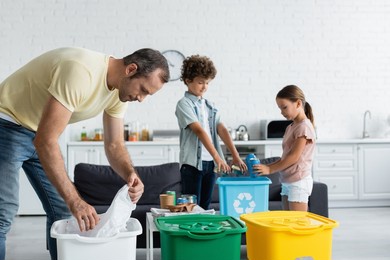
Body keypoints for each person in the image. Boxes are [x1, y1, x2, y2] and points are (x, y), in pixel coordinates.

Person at [0, 47, 169, 260]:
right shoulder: (81, 71)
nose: (142, 99)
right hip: (6, 122)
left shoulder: (119, 92)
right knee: (2, 214)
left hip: (37, 131)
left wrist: (129, 174)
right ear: (131, 69)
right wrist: (76, 200)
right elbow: (46, 141)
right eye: (144, 90)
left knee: (61, 210)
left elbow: (115, 144)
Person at [175, 55, 247, 210]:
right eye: (200, 82)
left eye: (207, 82)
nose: (204, 87)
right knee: (191, 208)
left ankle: (204, 235)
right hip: (192, 165)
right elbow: (199, 131)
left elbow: (221, 129)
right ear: (188, 80)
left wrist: (234, 156)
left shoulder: (210, 106)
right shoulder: (184, 104)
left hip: (212, 165)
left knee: (205, 207)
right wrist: (218, 157)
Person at [254, 85, 316, 212]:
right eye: (280, 108)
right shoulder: (291, 127)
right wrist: (264, 166)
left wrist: (270, 169)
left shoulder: (304, 127)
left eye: (284, 107)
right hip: (288, 181)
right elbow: (286, 157)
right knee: (288, 222)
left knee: (297, 224)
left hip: (298, 181)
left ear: (298, 103)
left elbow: (294, 157)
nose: (282, 112)